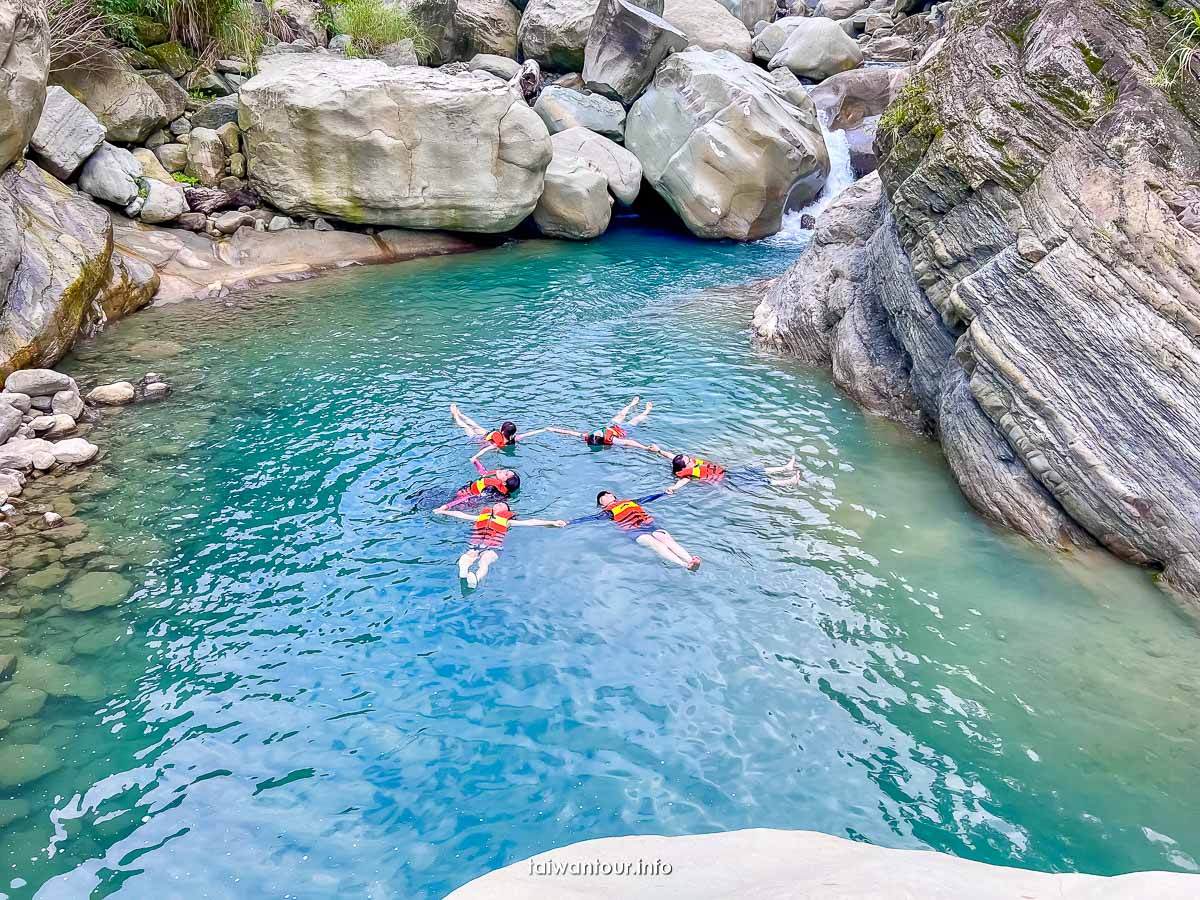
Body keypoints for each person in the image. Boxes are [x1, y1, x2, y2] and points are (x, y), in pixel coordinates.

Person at [434, 500, 566, 587]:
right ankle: (463, 570)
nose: (498, 505)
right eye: (497, 504)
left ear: (506, 511)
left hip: (494, 548)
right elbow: (460, 514)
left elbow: (530, 522)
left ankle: (476, 579)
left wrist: (552, 522)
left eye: (502, 505)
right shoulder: (480, 517)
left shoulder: (507, 522)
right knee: (469, 555)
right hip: (476, 545)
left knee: (484, 561)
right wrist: (443, 511)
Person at [594, 490, 700, 570]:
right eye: (602, 497)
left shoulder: (630, 502)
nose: (606, 495)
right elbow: (591, 518)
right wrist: (576, 521)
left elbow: (647, 498)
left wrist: (664, 493)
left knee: (665, 538)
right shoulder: (607, 512)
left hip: (649, 524)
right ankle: (685, 565)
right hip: (635, 530)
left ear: (613, 495)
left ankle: (691, 560)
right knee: (657, 544)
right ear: (602, 505)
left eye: (607, 493)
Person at [548, 397, 656, 450]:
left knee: (621, 414)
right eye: (598, 434)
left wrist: (553, 429)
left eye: (596, 434)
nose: (598, 432)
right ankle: (647, 410)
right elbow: (629, 442)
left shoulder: (588, 436)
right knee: (636, 419)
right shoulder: (613, 440)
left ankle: (632, 404)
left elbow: (570, 433)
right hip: (624, 430)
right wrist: (645, 447)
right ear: (601, 438)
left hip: (612, 426)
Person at [661, 453, 802, 494]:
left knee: (754, 470)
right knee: (756, 481)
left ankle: (785, 468)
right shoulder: (688, 474)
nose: (691, 460)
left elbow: (672, 456)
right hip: (727, 481)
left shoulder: (687, 464)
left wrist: (659, 451)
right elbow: (682, 481)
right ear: (685, 466)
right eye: (688, 461)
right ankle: (788, 482)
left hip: (728, 473)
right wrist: (673, 488)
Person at [450, 405, 550, 462]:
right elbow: (530, 433)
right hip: (487, 435)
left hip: (481, 438)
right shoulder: (515, 438)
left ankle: (457, 415)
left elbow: (485, 449)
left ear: (502, 431)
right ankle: (459, 415)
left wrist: (474, 457)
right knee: (470, 426)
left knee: (470, 426)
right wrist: (545, 429)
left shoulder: (497, 443)